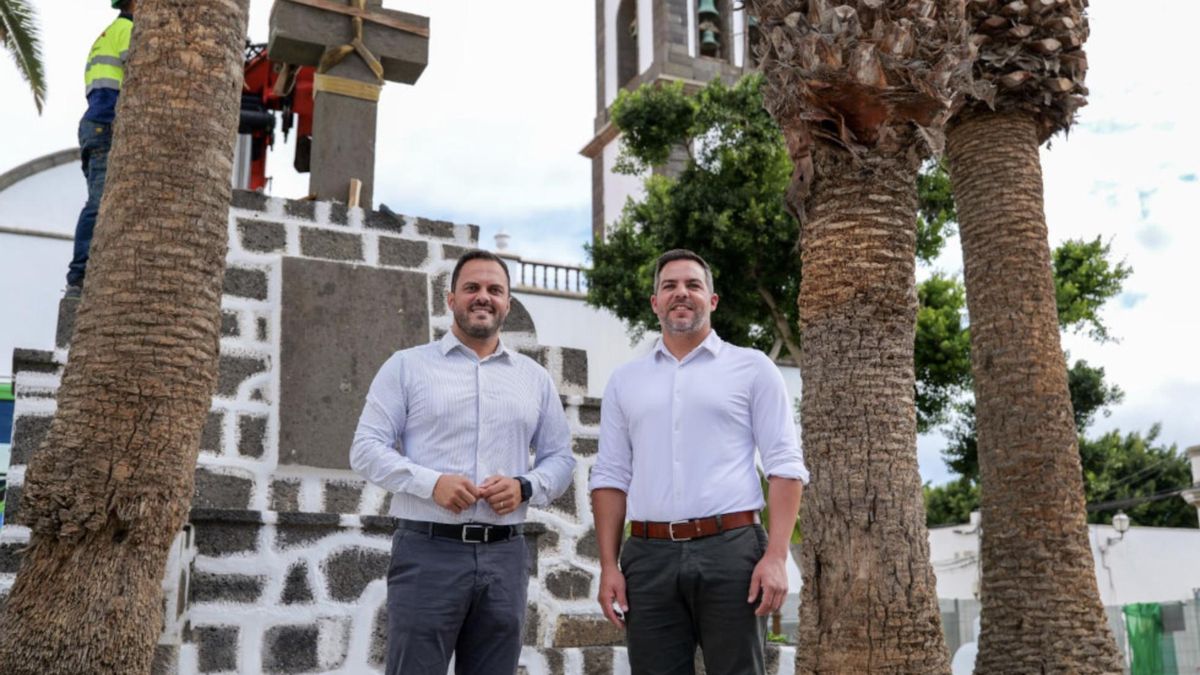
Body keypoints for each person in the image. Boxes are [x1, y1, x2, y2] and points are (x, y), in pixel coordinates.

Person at [350, 250, 576, 675]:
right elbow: (365, 447)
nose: (483, 297)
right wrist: (430, 483)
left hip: (506, 557)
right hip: (427, 552)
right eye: (472, 287)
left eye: (495, 290)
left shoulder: (534, 379)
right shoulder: (407, 367)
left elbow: (561, 459)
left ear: (508, 303)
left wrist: (525, 486)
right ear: (451, 298)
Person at [589, 249, 808, 675]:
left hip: (733, 551)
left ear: (712, 300)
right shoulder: (625, 381)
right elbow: (611, 476)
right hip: (647, 557)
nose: (680, 293)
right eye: (669, 286)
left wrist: (777, 556)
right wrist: (608, 565)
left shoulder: (753, 368)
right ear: (655, 303)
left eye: (693, 285)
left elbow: (785, 464)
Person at [66, 0, 136, 298]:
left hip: (95, 124)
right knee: (99, 202)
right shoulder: (129, 30)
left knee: (102, 201)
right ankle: (78, 275)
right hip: (105, 124)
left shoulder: (109, 33)